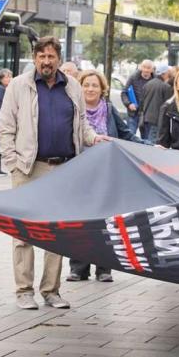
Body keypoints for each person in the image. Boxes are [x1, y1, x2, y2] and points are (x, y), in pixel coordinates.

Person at [0, 36, 107, 310]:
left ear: (58, 58)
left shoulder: (72, 87)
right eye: (41, 56)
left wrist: (94, 139)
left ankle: (51, 290)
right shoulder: (19, 86)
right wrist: (13, 162)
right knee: (23, 230)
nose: (46, 61)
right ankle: (24, 290)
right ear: (35, 58)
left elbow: (81, 125)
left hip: (63, 169)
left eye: (51, 56)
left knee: (56, 232)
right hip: (28, 169)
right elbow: (5, 128)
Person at [67, 69, 145, 283]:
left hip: (107, 174)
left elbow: (126, 135)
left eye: (94, 85)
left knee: (106, 221)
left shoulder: (109, 110)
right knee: (80, 221)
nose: (90, 89)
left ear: (102, 89)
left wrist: (149, 146)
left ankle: (104, 268)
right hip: (80, 174)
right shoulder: (73, 110)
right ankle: (78, 268)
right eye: (86, 84)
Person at [139, 63, 173, 143]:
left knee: (146, 144)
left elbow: (141, 103)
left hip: (145, 119)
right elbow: (168, 106)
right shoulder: (166, 87)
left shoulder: (148, 84)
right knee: (152, 146)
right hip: (157, 121)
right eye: (168, 73)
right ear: (164, 74)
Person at [121, 59, 155, 136]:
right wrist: (129, 104)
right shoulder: (133, 77)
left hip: (148, 114)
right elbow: (124, 93)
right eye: (144, 67)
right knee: (130, 136)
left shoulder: (155, 80)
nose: (146, 70)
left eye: (148, 68)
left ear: (152, 70)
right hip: (133, 113)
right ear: (140, 67)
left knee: (147, 140)